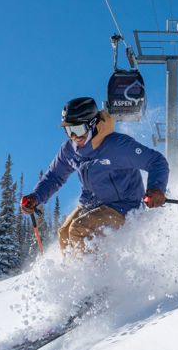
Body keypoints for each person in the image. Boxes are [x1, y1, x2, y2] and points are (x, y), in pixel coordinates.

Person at [21, 96, 169, 255]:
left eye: (78, 130)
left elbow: (156, 161)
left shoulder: (117, 146)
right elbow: (54, 176)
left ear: (92, 124)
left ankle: (95, 270)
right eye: (69, 131)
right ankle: (73, 269)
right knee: (64, 234)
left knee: (79, 229)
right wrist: (36, 197)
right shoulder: (69, 150)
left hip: (124, 206)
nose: (74, 137)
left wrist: (156, 188)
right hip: (91, 204)